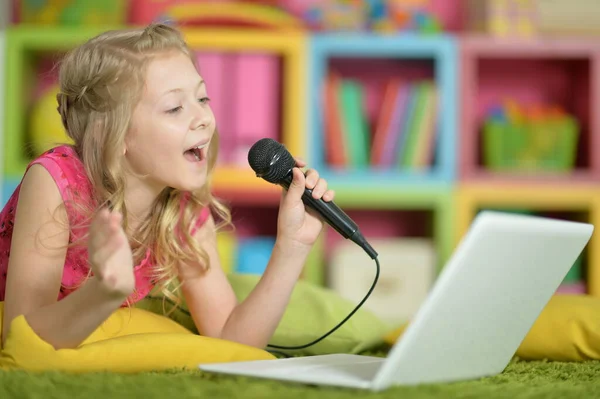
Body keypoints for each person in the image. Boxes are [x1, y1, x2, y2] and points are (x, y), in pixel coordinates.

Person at [0, 23, 334, 350]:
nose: (204, 117)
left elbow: (232, 340)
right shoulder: (54, 182)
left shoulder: (183, 209)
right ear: (112, 136)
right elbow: (20, 339)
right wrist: (104, 292)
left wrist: (293, 245)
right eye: (174, 107)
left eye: (202, 98)